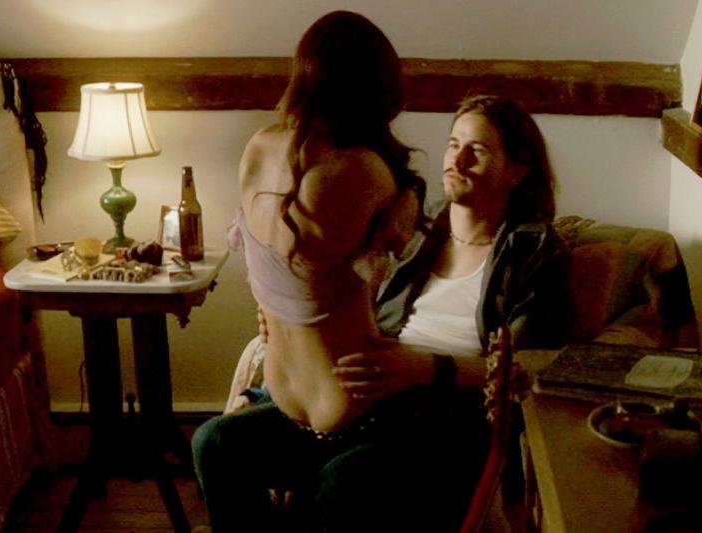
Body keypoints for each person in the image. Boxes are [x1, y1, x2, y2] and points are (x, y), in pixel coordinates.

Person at [191, 10, 426, 533]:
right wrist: (409, 195)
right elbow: (392, 257)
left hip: (297, 400)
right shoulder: (363, 169)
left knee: (212, 443)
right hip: (355, 409)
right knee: (218, 443)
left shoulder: (257, 148)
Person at [323, 95, 572, 528]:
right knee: (218, 441)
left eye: (478, 150)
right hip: (377, 396)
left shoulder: (534, 251)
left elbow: (523, 368)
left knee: (343, 479)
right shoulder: (416, 229)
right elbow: (359, 297)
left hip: (456, 415)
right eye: (454, 144)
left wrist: (423, 368)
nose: (457, 160)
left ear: (516, 171)